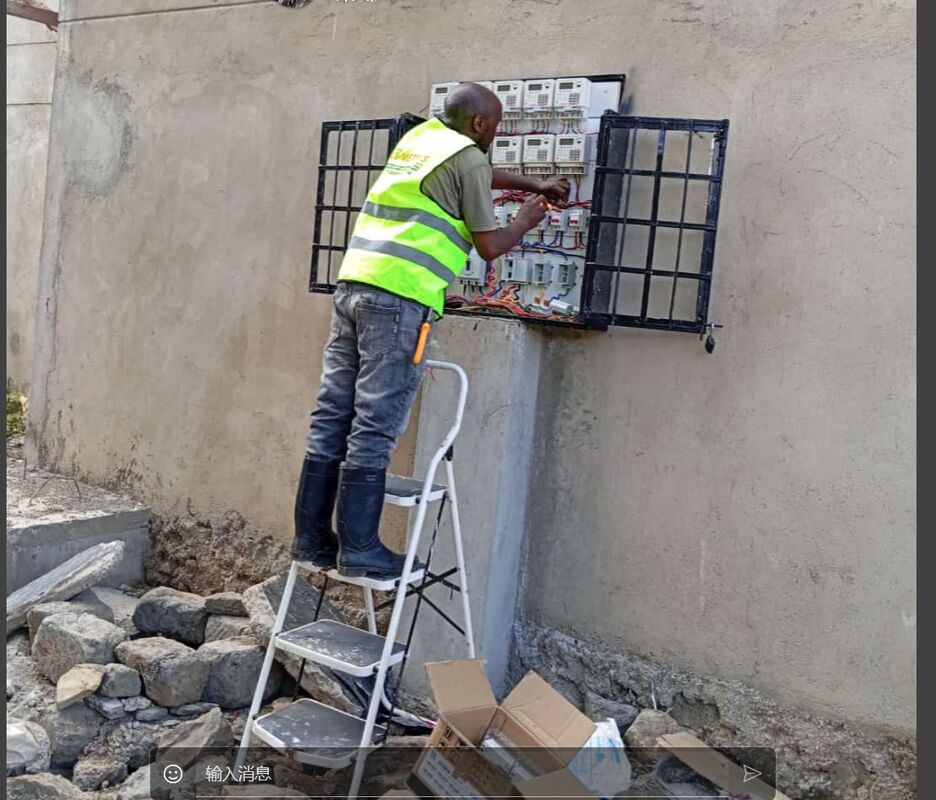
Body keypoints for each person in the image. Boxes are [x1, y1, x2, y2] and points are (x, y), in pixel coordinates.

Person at [291, 82, 570, 580]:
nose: (497, 133)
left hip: (354, 285)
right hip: (400, 299)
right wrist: (525, 219)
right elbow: (489, 246)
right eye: (496, 125)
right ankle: (360, 549)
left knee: (333, 412)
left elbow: (477, 173)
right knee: (374, 424)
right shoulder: (468, 159)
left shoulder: (420, 140)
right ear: (481, 124)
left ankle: (312, 539)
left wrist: (532, 183)